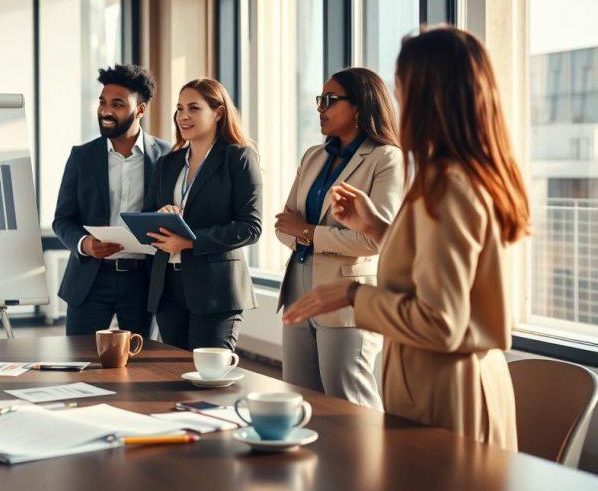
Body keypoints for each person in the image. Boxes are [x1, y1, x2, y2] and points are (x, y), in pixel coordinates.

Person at [284, 25, 529, 450]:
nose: (398, 101)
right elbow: (438, 270)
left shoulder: (448, 183)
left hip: (447, 395)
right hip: (447, 384)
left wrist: (353, 296)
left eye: (401, 87)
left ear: (429, 95)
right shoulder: (465, 173)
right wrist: (375, 226)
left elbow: (443, 321)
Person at [274, 67, 403, 410]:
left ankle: (364, 466)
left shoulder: (385, 158)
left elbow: (376, 239)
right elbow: (282, 224)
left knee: (350, 402)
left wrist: (309, 232)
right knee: (298, 399)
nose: (320, 107)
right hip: (299, 287)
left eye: (330, 100)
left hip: (347, 294)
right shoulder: (314, 156)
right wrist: (304, 233)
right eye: (320, 99)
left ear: (359, 107)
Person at [143, 78, 262, 351]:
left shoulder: (239, 158)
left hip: (216, 289)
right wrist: (161, 215)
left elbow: (250, 227)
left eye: (194, 108)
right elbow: (147, 213)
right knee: (173, 375)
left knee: (209, 374)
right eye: (180, 108)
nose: (183, 116)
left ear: (218, 112)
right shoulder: (167, 163)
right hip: (168, 286)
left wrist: (190, 242)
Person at [53, 64, 171, 337]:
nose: (106, 111)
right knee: (79, 360)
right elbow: (62, 219)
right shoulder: (82, 157)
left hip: (144, 280)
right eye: (103, 102)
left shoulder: (167, 156)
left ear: (140, 110)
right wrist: (85, 244)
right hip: (90, 279)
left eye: (117, 104)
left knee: (138, 365)